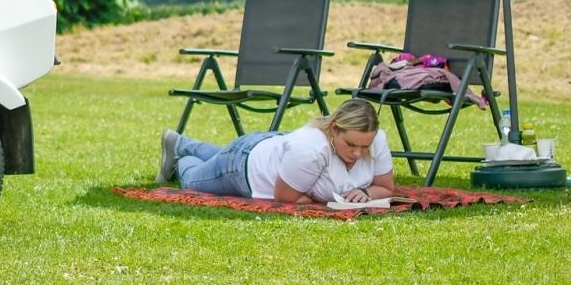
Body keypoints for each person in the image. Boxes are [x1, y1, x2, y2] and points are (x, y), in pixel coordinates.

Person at [157, 98, 395, 204]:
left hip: (271, 146)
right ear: (334, 129)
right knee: (192, 179)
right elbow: (285, 197)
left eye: (365, 147)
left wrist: (365, 192)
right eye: (351, 145)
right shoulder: (311, 149)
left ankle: (182, 142)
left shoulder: (377, 140)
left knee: (219, 155)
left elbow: (385, 188)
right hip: (242, 167)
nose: (357, 153)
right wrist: (324, 199)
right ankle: (180, 156)